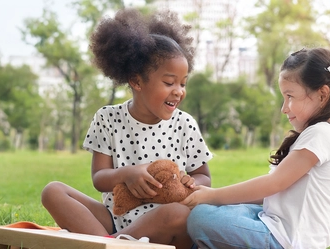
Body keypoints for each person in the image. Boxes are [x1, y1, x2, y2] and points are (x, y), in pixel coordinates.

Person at [41, 8, 213, 249]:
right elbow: (99, 178)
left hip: (162, 226)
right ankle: (113, 243)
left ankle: (106, 245)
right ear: (136, 81)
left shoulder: (185, 124)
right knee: (53, 191)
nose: (179, 91)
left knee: (180, 215)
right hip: (115, 218)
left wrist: (188, 183)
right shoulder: (107, 118)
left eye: (183, 83)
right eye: (168, 82)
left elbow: (204, 177)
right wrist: (127, 174)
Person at [182, 47, 330, 249]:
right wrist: (214, 200)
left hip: (288, 241)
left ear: (322, 95)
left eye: (290, 96)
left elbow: (274, 183)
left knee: (201, 218)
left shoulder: (322, 134)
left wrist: (213, 195)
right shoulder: (319, 133)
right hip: (272, 223)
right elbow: (273, 193)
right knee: (212, 213)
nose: (284, 108)